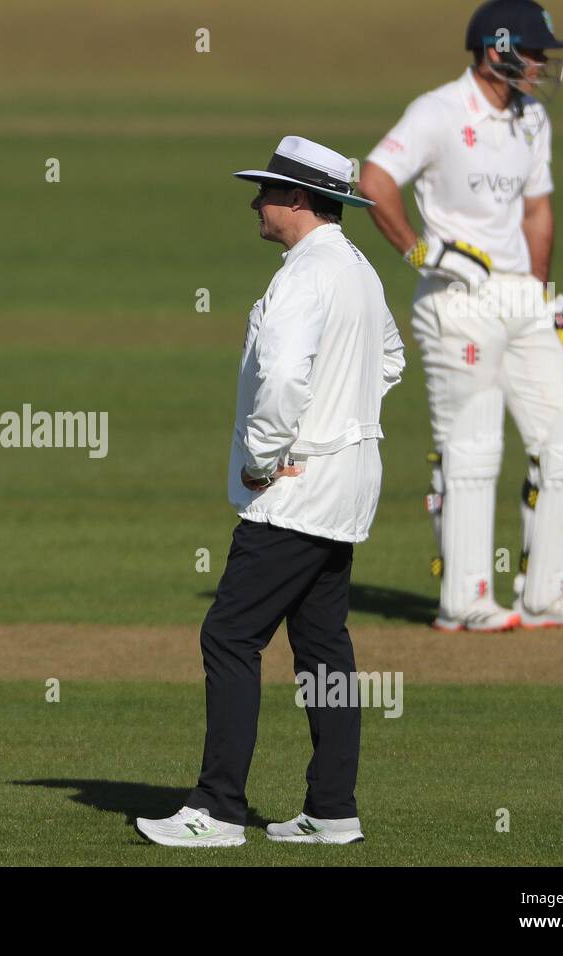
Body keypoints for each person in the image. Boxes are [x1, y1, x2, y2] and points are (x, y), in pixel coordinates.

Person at [136, 136, 404, 848]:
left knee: (229, 635)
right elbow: (391, 361)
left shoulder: (304, 276)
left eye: (267, 191)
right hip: (347, 486)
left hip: (295, 488)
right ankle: (332, 809)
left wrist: (266, 455)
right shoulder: (359, 270)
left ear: (298, 200)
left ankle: (217, 810)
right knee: (322, 647)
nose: (256, 202)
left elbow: (283, 379)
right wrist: (343, 420)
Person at [360, 0, 563, 631]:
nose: (544, 64)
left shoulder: (531, 120)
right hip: (457, 297)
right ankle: (465, 600)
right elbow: (374, 180)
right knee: (470, 447)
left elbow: (537, 214)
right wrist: (422, 251)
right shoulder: (438, 111)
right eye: (534, 52)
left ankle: (548, 592)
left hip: (519, 296)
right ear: (496, 49)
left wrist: (542, 295)